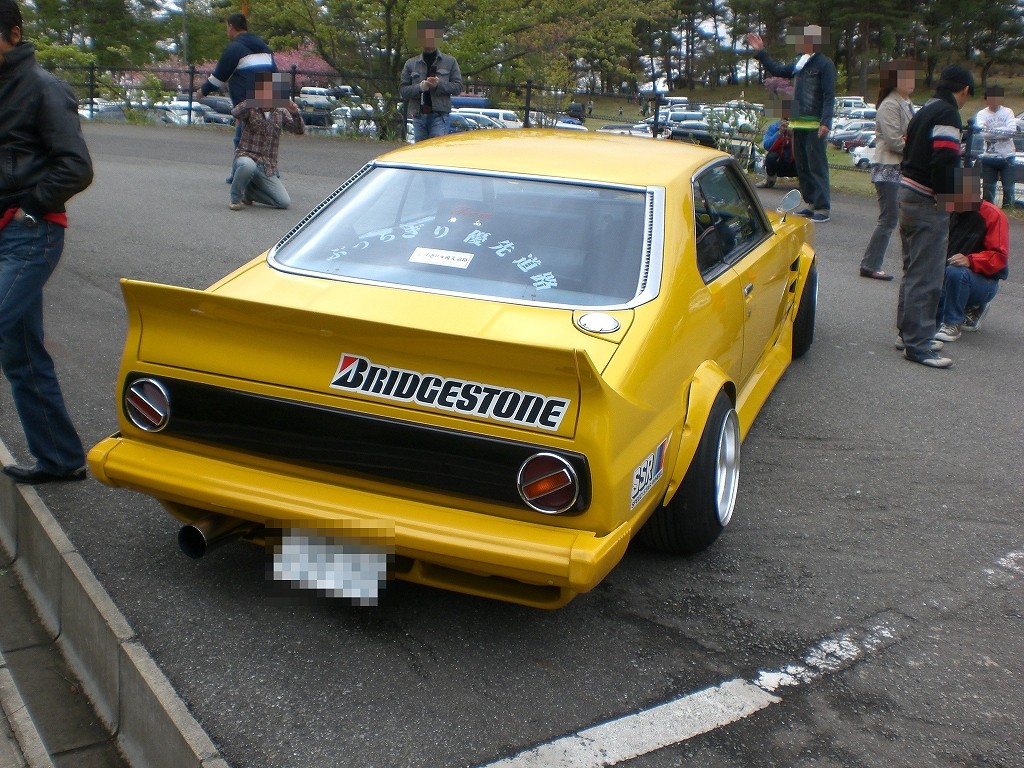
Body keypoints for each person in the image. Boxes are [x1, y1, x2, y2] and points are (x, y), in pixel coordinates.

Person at [0, 0, 94, 484]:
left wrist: (30, 207)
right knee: (18, 351)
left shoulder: (43, 89)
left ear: (13, 34)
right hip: (4, 229)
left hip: (30, 232)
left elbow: (76, 166)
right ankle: (59, 458)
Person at [895, 64, 975, 369]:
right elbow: (945, 160)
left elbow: (908, 145)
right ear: (965, 89)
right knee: (927, 275)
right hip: (928, 198)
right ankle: (918, 345)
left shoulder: (925, 108)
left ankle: (909, 333)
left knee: (912, 268)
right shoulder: (948, 114)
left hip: (907, 191)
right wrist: (951, 199)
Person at [747, 24, 836, 222]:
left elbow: (829, 95)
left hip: (814, 123)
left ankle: (822, 207)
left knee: (816, 165)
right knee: (803, 166)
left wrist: (826, 121)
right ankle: (811, 203)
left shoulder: (825, 64)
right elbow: (777, 69)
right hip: (798, 123)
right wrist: (761, 52)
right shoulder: (799, 63)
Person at [194, 13, 275, 180]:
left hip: (247, 99)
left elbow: (219, 78)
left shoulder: (235, 48)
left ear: (230, 27)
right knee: (265, 138)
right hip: (268, 97)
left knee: (242, 140)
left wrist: (203, 91)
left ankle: (241, 176)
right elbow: (275, 73)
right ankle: (269, 173)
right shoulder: (264, 47)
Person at [934, 168, 1009, 342]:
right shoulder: (947, 213)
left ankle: (953, 323)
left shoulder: (993, 215)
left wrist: (970, 260)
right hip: (947, 274)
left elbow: (999, 257)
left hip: (983, 281)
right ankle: (964, 307)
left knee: (956, 272)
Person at [859, 60, 916, 281]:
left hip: (900, 168)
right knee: (889, 218)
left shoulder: (905, 102)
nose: (911, 82)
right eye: (905, 77)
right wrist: (916, 147)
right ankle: (870, 264)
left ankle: (883, 264)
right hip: (888, 168)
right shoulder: (890, 105)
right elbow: (895, 141)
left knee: (899, 218)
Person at [229, 72, 305, 211]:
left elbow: (298, 130)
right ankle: (235, 198)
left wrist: (295, 112)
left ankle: (250, 193)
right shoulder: (251, 107)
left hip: (267, 166)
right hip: (246, 157)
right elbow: (235, 113)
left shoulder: (281, 111)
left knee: (283, 202)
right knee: (247, 166)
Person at [399, 19, 463, 142]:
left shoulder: (450, 62)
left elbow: (458, 87)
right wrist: (419, 87)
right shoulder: (411, 63)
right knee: (419, 154)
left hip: (440, 116)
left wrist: (439, 85)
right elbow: (403, 90)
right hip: (418, 117)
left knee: (436, 152)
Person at [974, 85, 1017, 209]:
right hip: (988, 157)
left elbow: (1011, 131)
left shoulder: (1008, 112)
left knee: (1009, 191)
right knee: (988, 192)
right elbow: (984, 133)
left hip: (1007, 156)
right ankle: (989, 217)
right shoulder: (982, 114)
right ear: (986, 99)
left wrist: (991, 130)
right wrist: (1001, 132)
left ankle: (1008, 214)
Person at [756, 117, 796, 188]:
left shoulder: (800, 128)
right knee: (771, 156)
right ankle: (770, 180)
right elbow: (767, 145)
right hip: (779, 163)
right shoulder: (773, 127)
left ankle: (804, 182)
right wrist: (779, 133)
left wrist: (794, 135)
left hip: (796, 164)